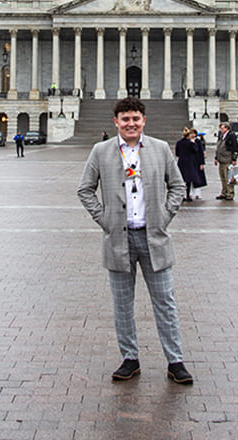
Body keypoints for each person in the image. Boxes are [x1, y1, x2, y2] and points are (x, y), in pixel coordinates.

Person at [77, 96, 193, 385]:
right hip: (119, 239)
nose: (131, 123)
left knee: (165, 301)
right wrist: (104, 220)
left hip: (153, 236)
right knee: (122, 304)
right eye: (125, 119)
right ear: (116, 122)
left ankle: (175, 360)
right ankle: (130, 358)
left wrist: (165, 216)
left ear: (143, 121)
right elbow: (85, 189)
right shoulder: (101, 151)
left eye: (135, 118)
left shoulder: (160, 149)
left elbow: (177, 185)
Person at [175, 127, 206, 202]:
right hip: (190, 163)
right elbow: (196, 150)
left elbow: (177, 153)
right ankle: (188, 195)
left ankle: (182, 196)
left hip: (181, 162)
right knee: (189, 180)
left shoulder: (179, 142)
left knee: (182, 180)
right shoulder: (191, 143)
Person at [214, 122, 238, 201]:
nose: (221, 130)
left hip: (228, 160)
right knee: (223, 178)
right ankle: (224, 192)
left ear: (227, 128)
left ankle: (230, 193)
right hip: (221, 160)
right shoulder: (221, 136)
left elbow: (235, 148)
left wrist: (234, 159)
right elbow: (218, 147)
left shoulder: (231, 136)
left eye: (222, 128)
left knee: (229, 178)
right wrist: (216, 158)